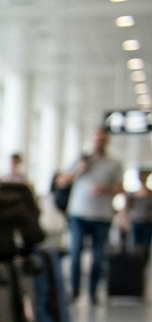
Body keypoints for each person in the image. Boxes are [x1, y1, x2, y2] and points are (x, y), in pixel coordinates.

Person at [56, 128, 123, 301]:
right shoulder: (80, 160)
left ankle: (93, 292)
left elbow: (121, 188)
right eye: (96, 139)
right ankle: (74, 290)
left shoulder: (114, 164)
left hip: (102, 216)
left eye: (102, 139)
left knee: (98, 256)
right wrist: (78, 169)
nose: (98, 142)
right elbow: (61, 182)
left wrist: (105, 189)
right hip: (78, 214)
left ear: (106, 141)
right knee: (75, 253)